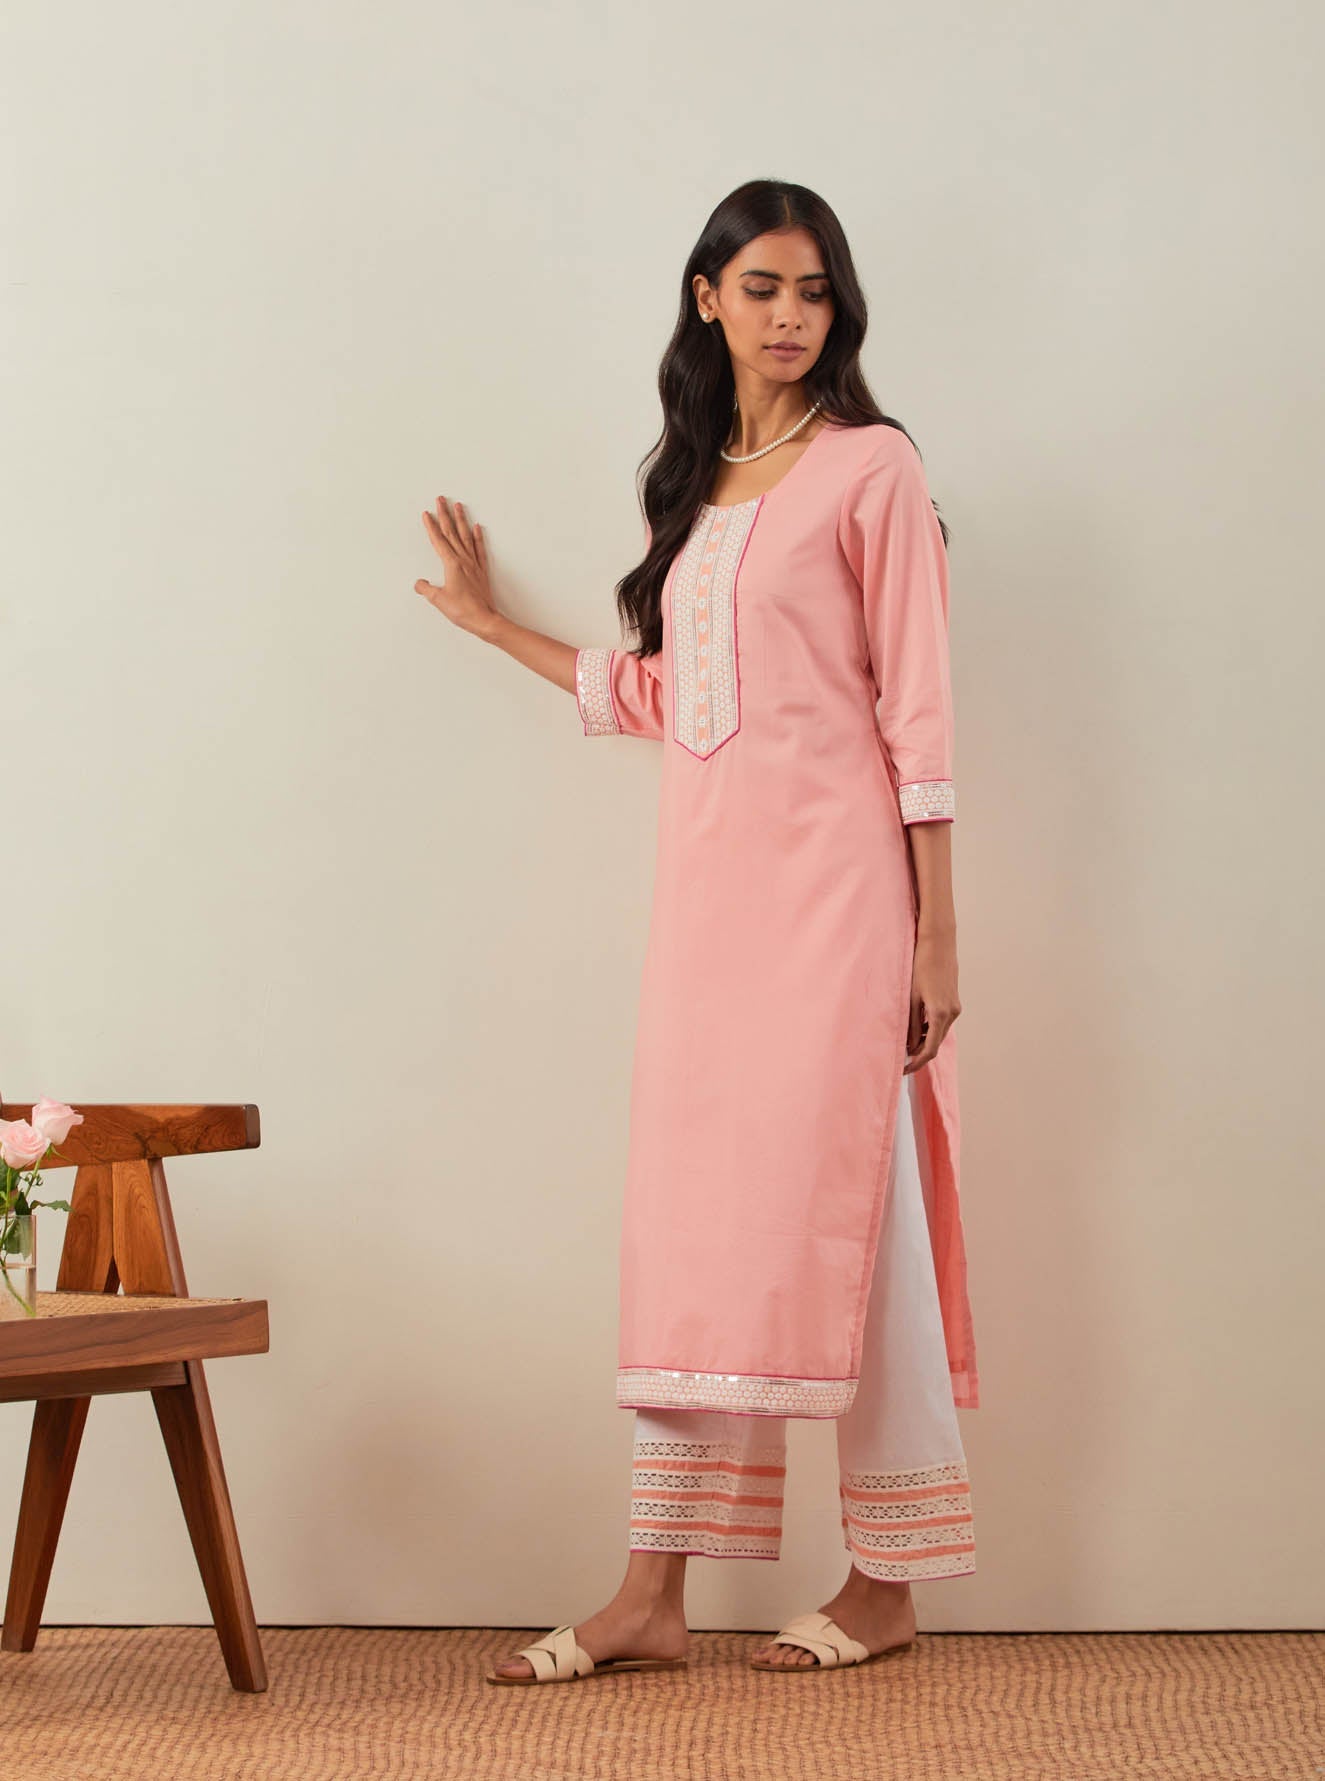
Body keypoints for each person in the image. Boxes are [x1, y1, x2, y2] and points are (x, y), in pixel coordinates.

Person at [415, 178, 979, 1685]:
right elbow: (672, 697)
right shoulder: (698, 485)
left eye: (816, 291)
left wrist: (935, 938)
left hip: (841, 907)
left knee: (857, 1217)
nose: (793, 317)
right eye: (766, 288)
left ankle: (886, 1581)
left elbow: (919, 715)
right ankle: (650, 1593)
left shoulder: (871, 467)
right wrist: (491, 625)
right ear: (707, 295)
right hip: (711, 918)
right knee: (693, 1231)